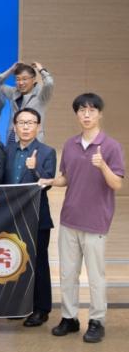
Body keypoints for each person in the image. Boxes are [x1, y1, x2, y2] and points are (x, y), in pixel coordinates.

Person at [40, 93, 124, 343]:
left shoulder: (111, 146)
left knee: (96, 276)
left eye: (92, 110)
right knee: (68, 274)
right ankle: (69, 318)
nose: (87, 115)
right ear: (77, 114)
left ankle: (97, 320)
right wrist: (50, 181)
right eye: (82, 110)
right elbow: (67, 178)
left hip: (96, 221)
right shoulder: (70, 144)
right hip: (69, 219)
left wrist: (103, 166)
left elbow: (117, 184)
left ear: (100, 114)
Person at [4, 108, 56, 328]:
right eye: (21, 123)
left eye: (30, 123)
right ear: (15, 126)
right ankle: (21, 306)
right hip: (11, 217)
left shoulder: (47, 152)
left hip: (37, 217)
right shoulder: (7, 150)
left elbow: (47, 184)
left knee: (39, 263)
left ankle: (41, 309)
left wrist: (35, 171)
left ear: (38, 126)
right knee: (16, 261)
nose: (25, 127)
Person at [0, 62, 54, 143]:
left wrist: (41, 70)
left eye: (24, 79)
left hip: (33, 141)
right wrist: (11, 70)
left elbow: (49, 83)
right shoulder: (13, 92)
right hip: (12, 139)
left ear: (33, 79)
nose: (21, 83)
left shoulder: (41, 94)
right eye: (18, 79)